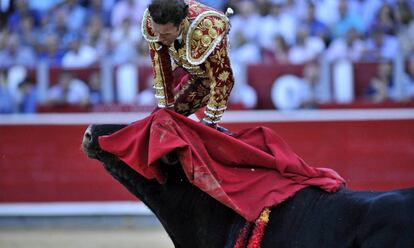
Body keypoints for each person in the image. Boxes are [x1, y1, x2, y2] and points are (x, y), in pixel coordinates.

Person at [142, 0, 235, 128]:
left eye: (165, 34)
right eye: (156, 32)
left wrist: (210, 120)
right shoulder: (153, 19)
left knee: (160, 125)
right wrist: (166, 107)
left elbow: (223, 79)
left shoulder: (207, 31)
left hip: (206, 77)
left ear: (181, 24)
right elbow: (161, 65)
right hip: (181, 66)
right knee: (158, 119)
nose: (158, 38)